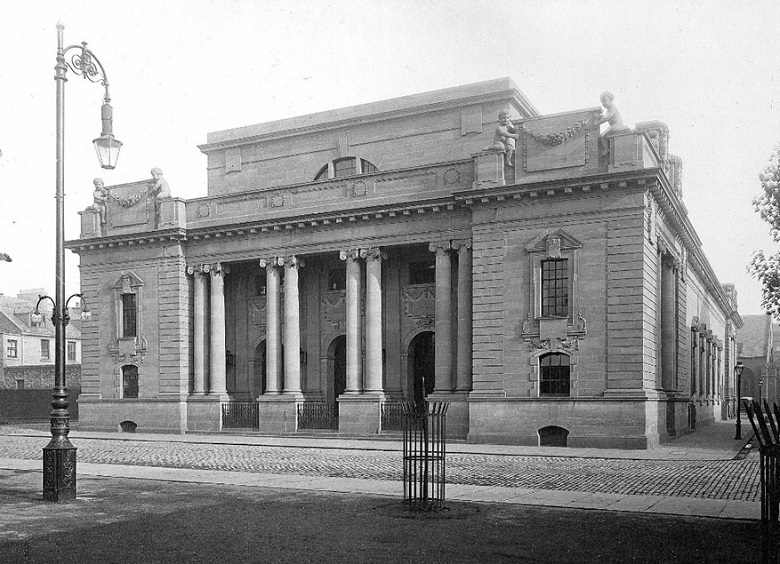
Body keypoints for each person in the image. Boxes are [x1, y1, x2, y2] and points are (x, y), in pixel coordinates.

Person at [598, 91, 630, 156]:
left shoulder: (613, 108)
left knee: (602, 136)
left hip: (616, 125)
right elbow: (606, 116)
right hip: (613, 126)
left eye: (605, 101)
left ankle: (606, 149)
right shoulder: (609, 109)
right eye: (602, 102)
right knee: (603, 135)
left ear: (610, 100)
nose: (603, 103)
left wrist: (597, 123)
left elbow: (607, 118)